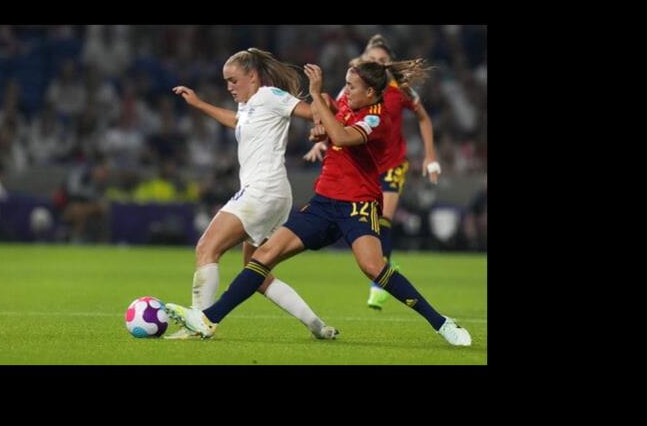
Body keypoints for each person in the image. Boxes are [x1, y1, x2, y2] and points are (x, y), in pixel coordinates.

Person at [165, 60, 471, 346]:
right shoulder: (349, 107)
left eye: (352, 87)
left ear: (371, 93)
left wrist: (317, 101)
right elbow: (330, 127)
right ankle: (208, 319)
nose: (346, 90)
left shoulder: (378, 119)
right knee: (263, 257)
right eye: (346, 85)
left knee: (373, 267)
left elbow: (341, 134)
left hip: (358, 206)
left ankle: (441, 323)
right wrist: (321, 129)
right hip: (324, 203)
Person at [166, 47, 338, 340]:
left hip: (263, 190)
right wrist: (199, 104)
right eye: (226, 82)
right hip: (273, 194)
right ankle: (318, 327)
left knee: (207, 248)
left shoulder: (270, 96)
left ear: (253, 76)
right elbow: (236, 120)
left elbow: (311, 112)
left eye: (233, 80)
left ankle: (199, 325)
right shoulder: (249, 106)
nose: (229, 87)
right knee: (256, 273)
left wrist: (321, 104)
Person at [304, 34, 441, 310]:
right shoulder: (353, 87)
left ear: (388, 63)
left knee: (384, 221)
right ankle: (383, 269)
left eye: (382, 59)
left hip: (392, 164)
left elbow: (424, 118)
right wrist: (321, 137)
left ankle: (379, 282)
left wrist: (430, 156)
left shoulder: (400, 88)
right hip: (363, 166)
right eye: (373, 59)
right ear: (365, 61)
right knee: (374, 222)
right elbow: (333, 111)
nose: (378, 62)